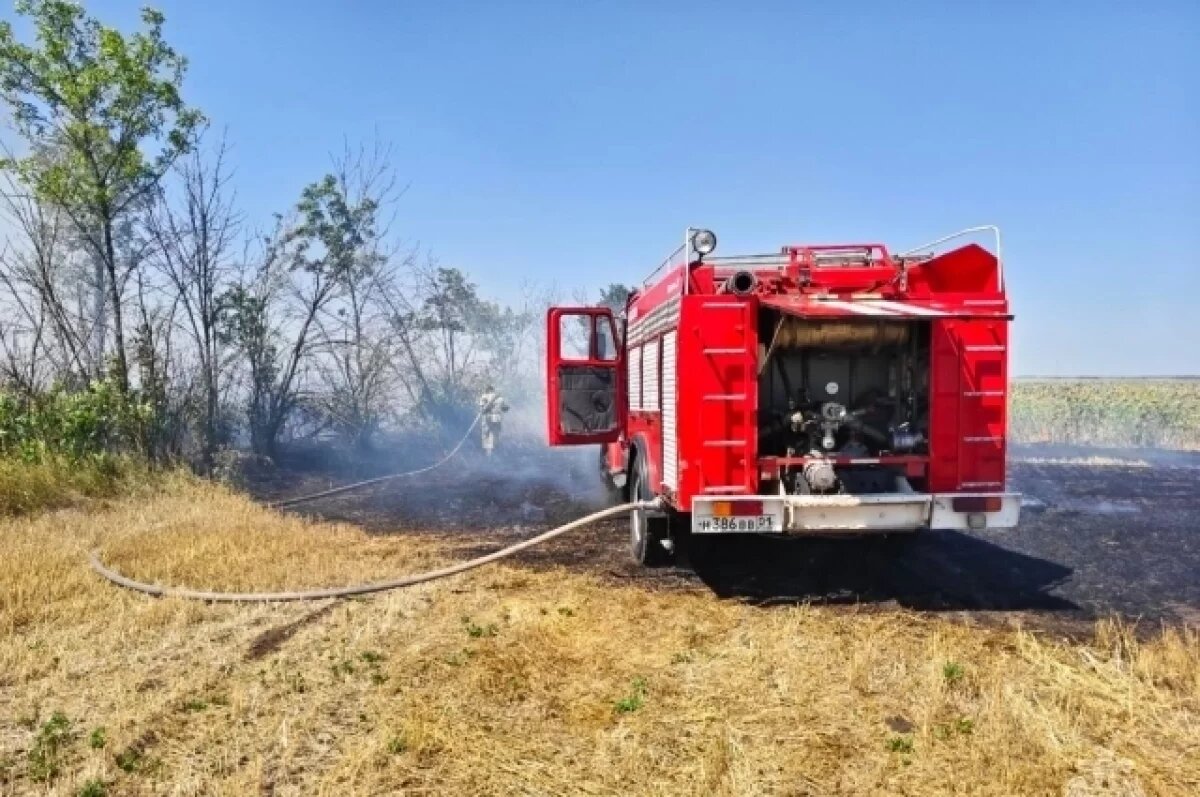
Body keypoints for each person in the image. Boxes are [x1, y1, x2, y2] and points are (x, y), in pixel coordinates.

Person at [478, 385, 509, 456]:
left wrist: (484, 409)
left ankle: (488, 454)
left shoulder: (484, 396)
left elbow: (482, 409)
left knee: (486, 435)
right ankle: (494, 452)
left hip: (488, 418)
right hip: (497, 418)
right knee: (495, 435)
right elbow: (504, 409)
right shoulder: (500, 398)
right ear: (493, 390)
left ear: (487, 390)